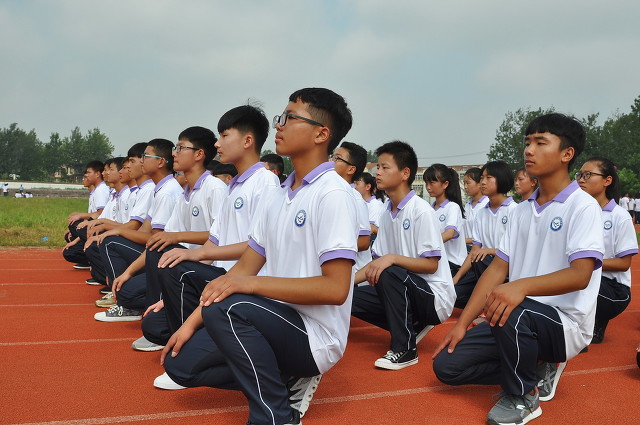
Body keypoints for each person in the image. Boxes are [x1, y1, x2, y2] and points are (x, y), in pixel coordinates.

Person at [160, 88, 358, 425]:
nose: (278, 126)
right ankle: (283, 378)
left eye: (289, 118)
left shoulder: (333, 195)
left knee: (230, 305)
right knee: (179, 364)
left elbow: (336, 289)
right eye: (280, 118)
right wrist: (192, 323)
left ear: (321, 134)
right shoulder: (279, 196)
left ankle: (276, 415)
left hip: (314, 334)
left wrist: (251, 285)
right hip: (270, 319)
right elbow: (244, 266)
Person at [432, 113, 605, 425]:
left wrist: (520, 287)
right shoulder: (522, 211)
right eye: (527, 142)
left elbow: (581, 275)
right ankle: (533, 367)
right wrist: (461, 324)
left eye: (541, 143)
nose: (529, 150)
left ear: (567, 154)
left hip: (563, 324)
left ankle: (524, 395)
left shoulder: (583, 207)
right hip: (517, 314)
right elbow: (497, 271)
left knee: (512, 305)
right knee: (447, 366)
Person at [141, 105, 278, 353]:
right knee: (153, 321)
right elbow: (213, 243)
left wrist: (194, 254)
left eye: (224, 136)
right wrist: (168, 298)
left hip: (245, 280)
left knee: (177, 267)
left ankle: (188, 344)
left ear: (248, 140)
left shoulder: (265, 182)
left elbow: (258, 247)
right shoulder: (234, 187)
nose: (218, 143)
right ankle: (189, 334)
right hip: (220, 275)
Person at [97, 129, 226, 323]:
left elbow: (220, 236)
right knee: (141, 268)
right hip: (184, 263)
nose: (174, 153)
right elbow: (160, 237)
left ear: (199, 154)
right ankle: (154, 304)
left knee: (150, 321)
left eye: (181, 148)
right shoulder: (184, 194)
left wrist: (178, 238)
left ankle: (157, 307)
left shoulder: (214, 188)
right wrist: (128, 273)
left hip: (205, 267)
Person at [351, 141, 455, 370]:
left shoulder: (421, 211)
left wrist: (392, 258)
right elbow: (374, 266)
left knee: (388, 269)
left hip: (434, 298)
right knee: (349, 298)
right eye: (377, 167)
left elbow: (430, 265)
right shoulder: (387, 214)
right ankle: (412, 323)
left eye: (385, 167)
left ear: (405, 173)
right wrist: (345, 284)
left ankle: (405, 349)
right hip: (407, 289)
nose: (377, 172)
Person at [576, 157, 637, 343]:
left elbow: (624, 263)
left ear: (607, 181)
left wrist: (587, 264)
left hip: (614, 291)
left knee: (576, 280)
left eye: (588, 175)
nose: (581, 179)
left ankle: (595, 320)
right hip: (588, 278)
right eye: (579, 175)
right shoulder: (578, 213)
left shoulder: (620, 217)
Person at [453, 161, 515, 309]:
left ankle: (489, 304)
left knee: (482, 258)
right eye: (482, 178)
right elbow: (475, 250)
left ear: (502, 179)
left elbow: (516, 252)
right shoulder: (482, 213)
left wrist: (489, 251)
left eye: (489, 178)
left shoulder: (515, 211)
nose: (483, 182)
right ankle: (486, 301)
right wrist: (457, 277)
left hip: (506, 270)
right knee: (453, 294)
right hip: (482, 266)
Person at [329, 141, 372, 271]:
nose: (331, 161)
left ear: (351, 169)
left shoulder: (354, 198)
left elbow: (364, 241)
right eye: (332, 156)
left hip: (355, 274)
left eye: (337, 158)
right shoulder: (330, 192)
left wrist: (329, 246)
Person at [63, 160, 110, 269]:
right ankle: (90, 257)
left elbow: (100, 214)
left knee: (76, 226)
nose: (86, 176)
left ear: (97, 174)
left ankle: (97, 260)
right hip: (100, 225)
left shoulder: (102, 190)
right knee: (73, 233)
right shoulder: (97, 191)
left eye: (88, 173)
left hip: (104, 227)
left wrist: (81, 216)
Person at [424, 164, 467, 276]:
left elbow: (448, 234)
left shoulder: (452, 207)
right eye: (426, 183)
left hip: (452, 263)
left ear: (445, 184)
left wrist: (426, 244)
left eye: (432, 183)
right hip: (437, 262)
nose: (428, 187)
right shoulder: (429, 209)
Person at [354, 172, 386, 238]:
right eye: (354, 183)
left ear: (368, 186)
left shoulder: (375, 204)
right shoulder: (357, 202)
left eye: (357, 184)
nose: (355, 187)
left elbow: (370, 228)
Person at [462, 167, 488, 246]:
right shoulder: (467, 206)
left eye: (468, 183)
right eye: (464, 183)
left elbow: (485, 234)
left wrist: (463, 241)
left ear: (479, 183)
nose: (465, 187)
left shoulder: (486, 204)